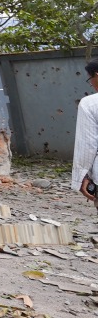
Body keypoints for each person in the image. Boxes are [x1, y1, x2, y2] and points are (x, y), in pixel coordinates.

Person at [71, 59, 98, 207]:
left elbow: (88, 145)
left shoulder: (90, 104)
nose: (91, 84)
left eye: (90, 79)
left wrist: (81, 176)